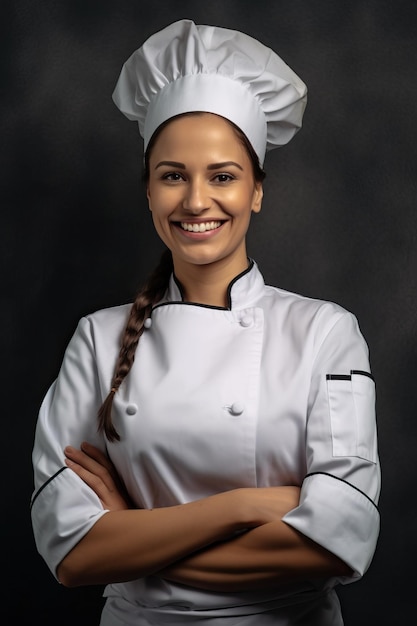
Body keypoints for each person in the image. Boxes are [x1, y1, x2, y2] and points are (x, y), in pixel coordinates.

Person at [30, 19, 381, 626]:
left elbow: (339, 539)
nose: (196, 201)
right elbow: (69, 550)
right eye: (173, 176)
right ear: (148, 191)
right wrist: (244, 506)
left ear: (257, 192)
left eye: (222, 176)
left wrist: (131, 535)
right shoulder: (97, 339)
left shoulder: (326, 332)